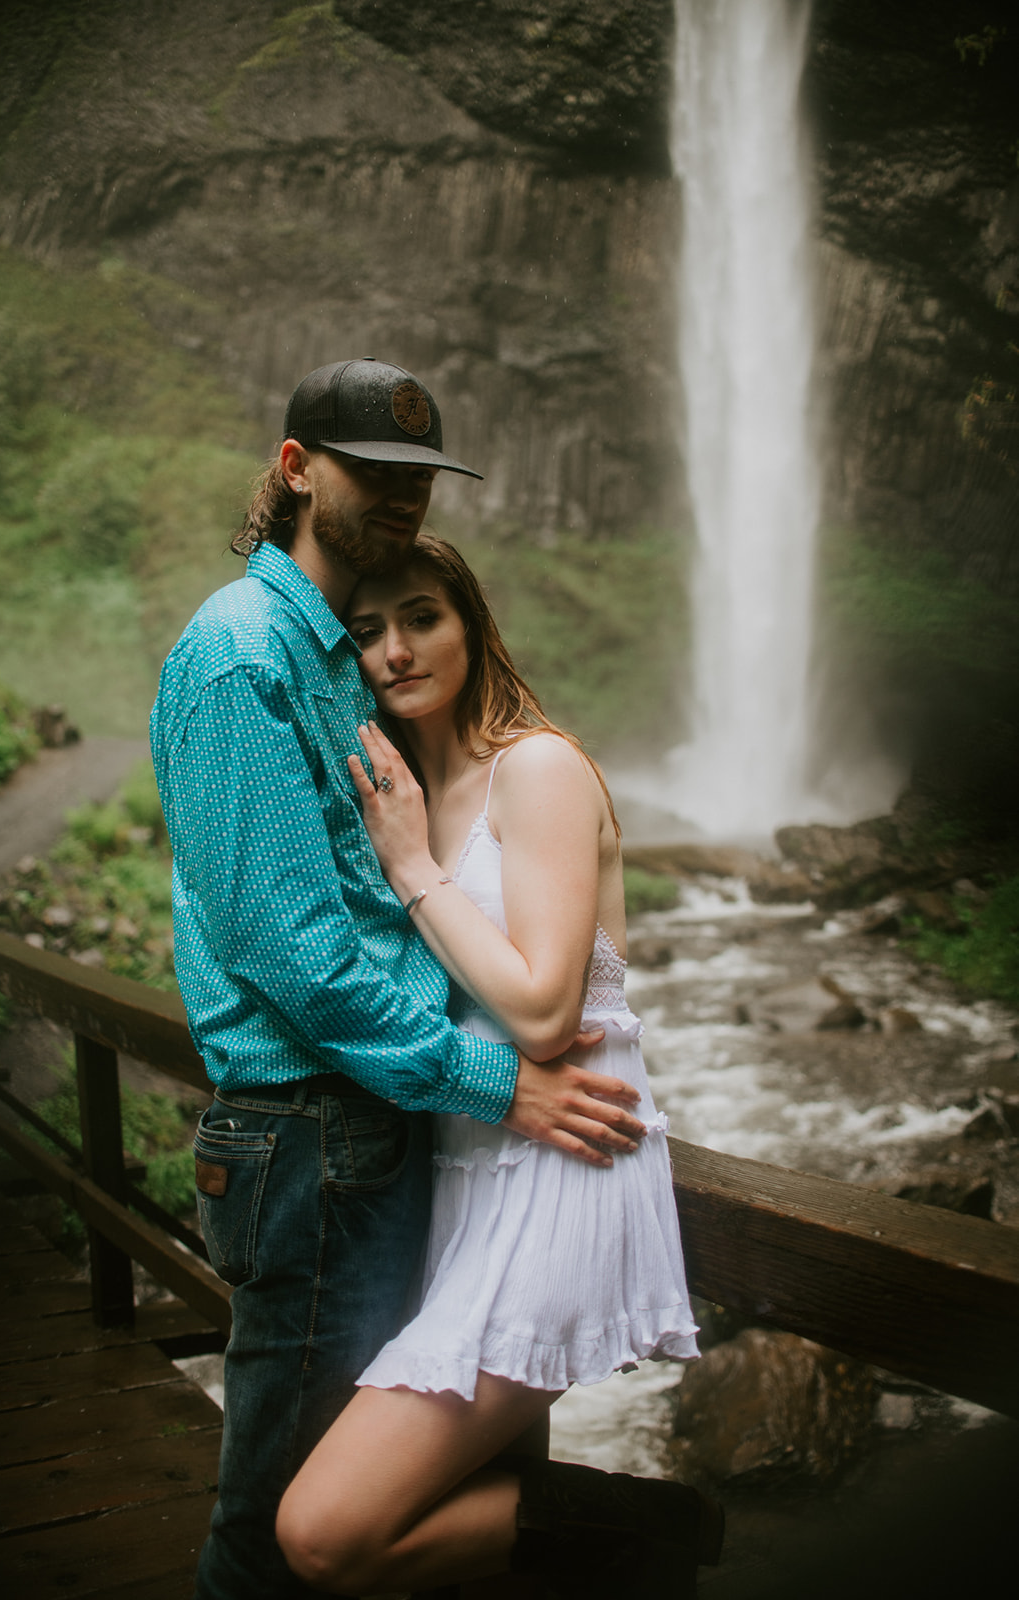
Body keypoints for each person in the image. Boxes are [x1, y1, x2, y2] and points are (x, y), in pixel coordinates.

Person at [149, 358, 648, 1600]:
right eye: (371, 474)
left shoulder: (332, 654)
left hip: (383, 1129)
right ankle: (593, 1542)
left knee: (347, 1495)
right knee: (278, 1524)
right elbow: (297, 956)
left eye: (416, 480)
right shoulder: (242, 654)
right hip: (314, 1132)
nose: (398, 498)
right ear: (293, 468)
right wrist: (496, 1080)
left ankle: (572, 1536)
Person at [275, 535, 722, 1599]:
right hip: (469, 1173)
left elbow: (541, 1007)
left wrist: (413, 864)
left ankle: (657, 1525)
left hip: (565, 1167)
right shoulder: (402, 788)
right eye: (367, 631)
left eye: (421, 617)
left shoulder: (539, 768)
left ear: (469, 622)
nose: (394, 649)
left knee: (323, 1530)